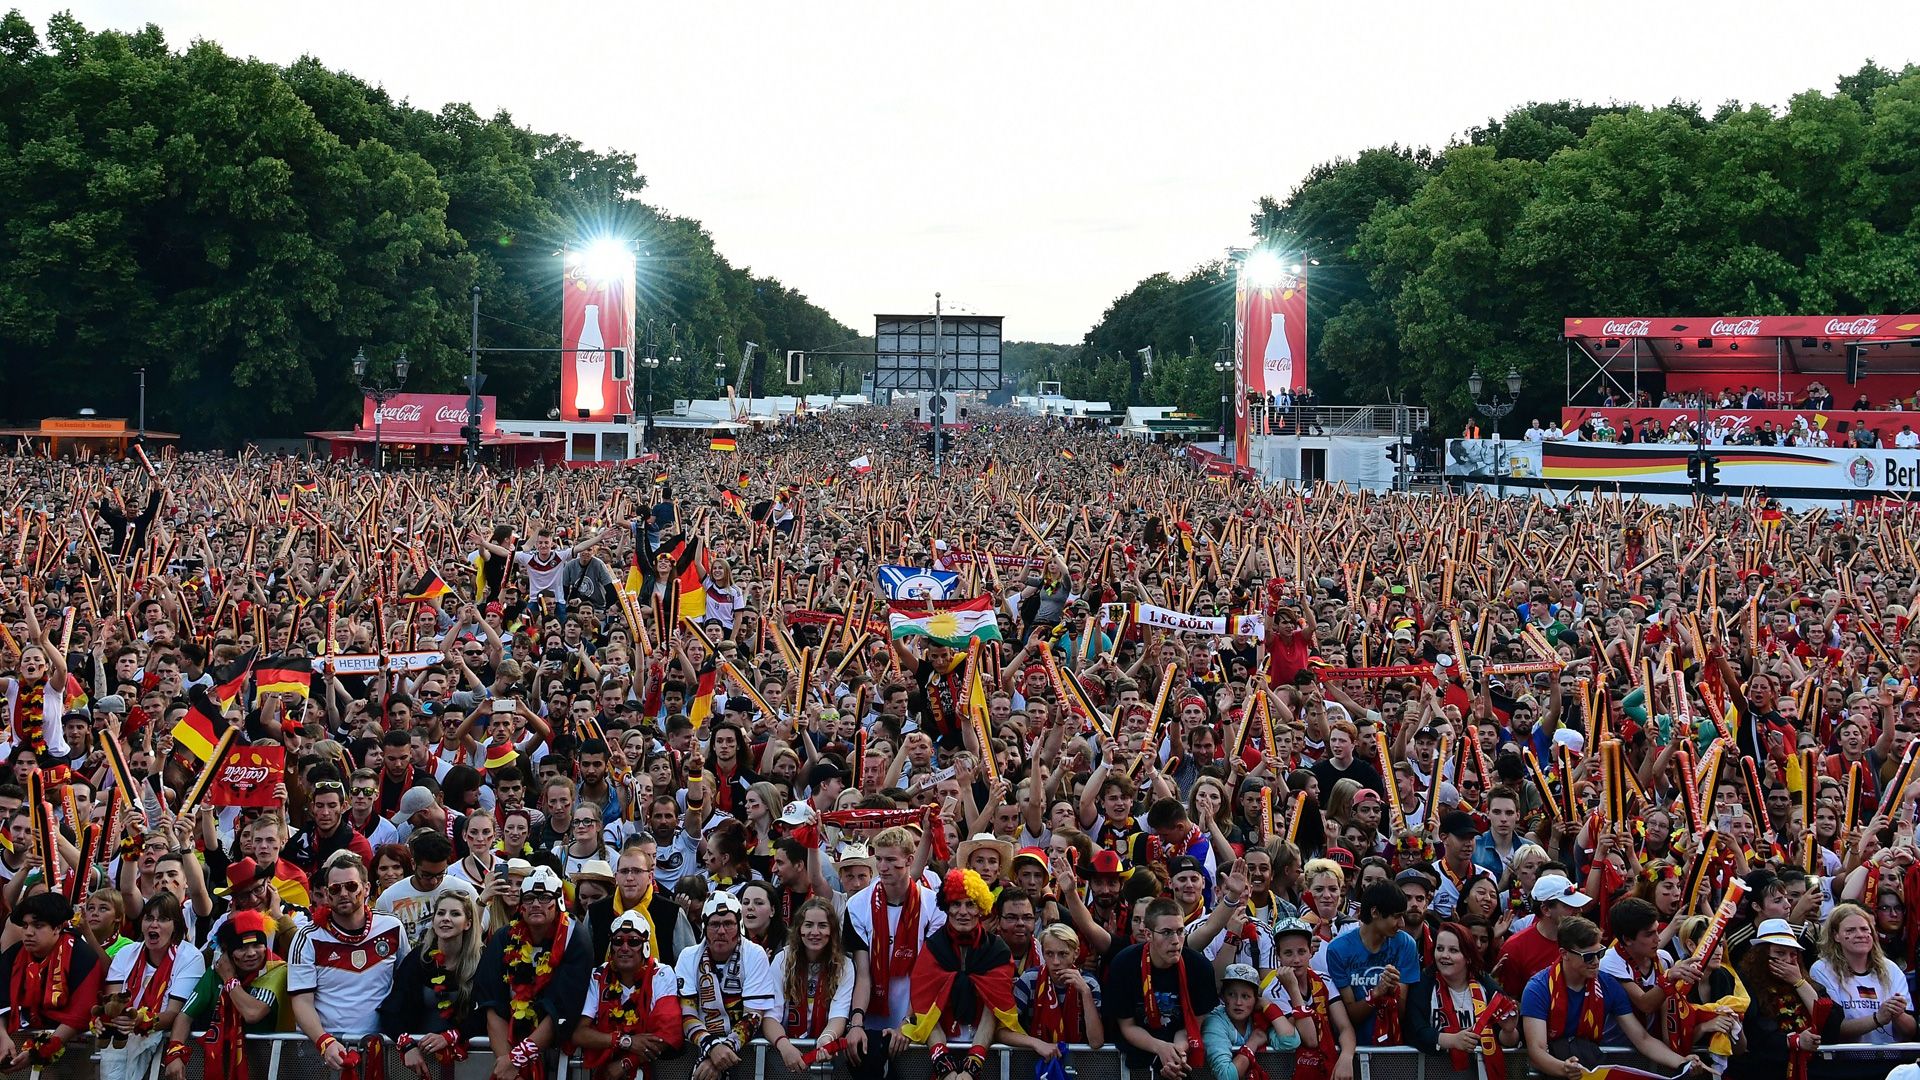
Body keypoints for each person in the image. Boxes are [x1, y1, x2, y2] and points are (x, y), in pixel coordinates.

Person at [1519, 916, 1707, 1079]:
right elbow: (1537, 1051)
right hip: (1553, 1073)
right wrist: (1564, 1069)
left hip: (1589, 1067)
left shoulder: (1607, 984)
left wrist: (1682, 1062)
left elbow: (1642, 1038)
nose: (1596, 962)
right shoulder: (1538, 988)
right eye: (1588, 957)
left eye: (1599, 953)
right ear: (1564, 954)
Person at [475, 865, 595, 1079]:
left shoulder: (574, 937)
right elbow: (492, 1005)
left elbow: (561, 1007)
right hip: (507, 1045)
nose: (536, 904)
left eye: (544, 897)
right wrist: (509, 1067)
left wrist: (516, 1059)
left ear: (558, 901)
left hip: (555, 1047)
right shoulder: (504, 937)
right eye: (529, 898)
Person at [288, 852, 409, 1061]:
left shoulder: (392, 927)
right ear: (327, 894)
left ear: (367, 888)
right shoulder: (307, 937)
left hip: (381, 1046)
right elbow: (301, 1002)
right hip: (324, 1049)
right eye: (336, 888)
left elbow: (405, 985)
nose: (344, 893)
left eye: (351, 886)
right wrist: (324, 1041)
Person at [845, 825, 943, 1080]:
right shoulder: (857, 905)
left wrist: (908, 1022)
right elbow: (863, 974)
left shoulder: (934, 906)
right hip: (871, 1020)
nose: (882, 867)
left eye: (890, 860)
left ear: (909, 860)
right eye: (878, 859)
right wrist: (856, 1023)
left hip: (916, 1019)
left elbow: (926, 975)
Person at [902, 868, 1019, 1080]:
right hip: (939, 1048)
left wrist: (973, 1066)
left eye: (970, 904)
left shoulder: (997, 950)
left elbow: (993, 1009)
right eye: (956, 904)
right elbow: (927, 1012)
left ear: (981, 908)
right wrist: (944, 1066)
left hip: (986, 1051)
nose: (962, 912)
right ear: (947, 907)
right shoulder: (933, 948)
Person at [167, 910, 290, 1080]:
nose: (252, 953)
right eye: (242, 947)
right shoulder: (215, 972)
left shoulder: (276, 969)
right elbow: (185, 1015)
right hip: (223, 1067)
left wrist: (229, 979)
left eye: (257, 945)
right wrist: (175, 1052)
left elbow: (252, 1013)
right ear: (228, 951)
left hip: (270, 1068)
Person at [1105, 896, 1220, 1075]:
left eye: (1180, 931)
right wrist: (1160, 1048)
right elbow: (1127, 1026)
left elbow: (1192, 1025)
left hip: (1182, 1058)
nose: (1175, 940)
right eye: (1166, 932)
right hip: (1135, 1063)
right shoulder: (1124, 964)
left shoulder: (1200, 968)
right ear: (1148, 934)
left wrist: (1176, 1053)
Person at [102, 891, 205, 1080]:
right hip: (122, 1041)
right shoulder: (126, 954)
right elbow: (112, 1002)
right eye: (149, 918)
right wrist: (110, 1017)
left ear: (175, 926)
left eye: (163, 919)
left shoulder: (191, 957)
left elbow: (175, 1013)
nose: (154, 924)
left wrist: (141, 1021)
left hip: (164, 1044)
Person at [380, 891, 487, 1073]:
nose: (446, 918)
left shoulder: (482, 961)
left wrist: (453, 1035)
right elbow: (391, 1010)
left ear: (468, 923)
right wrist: (406, 1044)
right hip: (421, 1058)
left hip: (468, 1060)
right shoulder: (419, 958)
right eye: (441, 913)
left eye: (455, 914)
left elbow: (487, 1013)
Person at [675, 890, 777, 1080]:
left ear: (739, 926)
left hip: (746, 1055)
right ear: (704, 927)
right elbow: (686, 1015)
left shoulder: (755, 954)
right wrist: (712, 1048)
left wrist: (721, 1054)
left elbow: (754, 1016)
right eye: (714, 924)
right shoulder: (688, 956)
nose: (721, 931)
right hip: (699, 1049)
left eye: (728, 924)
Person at [0, 892, 106, 1069]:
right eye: (25, 926)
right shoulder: (13, 955)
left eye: (38, 925)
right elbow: (1, 1000)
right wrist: (2, 1036)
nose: (28, 933)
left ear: (57, 928)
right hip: (20, 1041)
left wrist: (39, 1052)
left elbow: (80, 1013)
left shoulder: (82, 955)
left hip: (74, 1047)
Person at [574, 909, 683, 1080]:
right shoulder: (598, 976)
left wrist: (626, 1062)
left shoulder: (662, 974)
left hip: (649, 1069)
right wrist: (625, 1041)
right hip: (603, 1071)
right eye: (618, 941)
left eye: (633, 942)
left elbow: (667, 1034)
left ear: (646, 946)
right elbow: (579, 1033)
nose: (624, 948)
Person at [1404, 921, 1519, 1071]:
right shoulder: (1423, 984)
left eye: (1453, 950)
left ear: (1468, 956)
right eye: (1440, 949)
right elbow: (1414, 1030)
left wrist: (1509, 1031)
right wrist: (1451, 1040)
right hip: (1432, 1072)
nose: (1444, 955)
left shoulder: (1486, 985)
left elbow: (1508, 1042)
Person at [1324, 881, 1422, 1046]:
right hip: (1356, 1047)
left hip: (1395, 1048)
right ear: (1375, 912)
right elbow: (1351, 1015)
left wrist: (1393, 991)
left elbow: (1402, 1014)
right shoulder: (1338, 949)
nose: (1402, 924)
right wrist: (1377, 993)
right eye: (1396, 916)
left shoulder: (1405, 944)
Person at [762, 896, 854, 1067]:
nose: (815, 932)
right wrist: (785, 1046)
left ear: (832, 930)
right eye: (809, 925)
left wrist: (826, 1039)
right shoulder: (782, 959)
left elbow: (839, 1013)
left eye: (823, 925)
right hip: (784, 1051)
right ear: (799, 929)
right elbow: (770, 1016)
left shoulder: (845, 965)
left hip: (825, 1053)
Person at [1008, 923, 1105, 1051]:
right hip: (1034, 1059)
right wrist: (1036, 1044)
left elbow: (1096, 1041)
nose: (1056, 962)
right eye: (1049, 954)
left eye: (1063, 954)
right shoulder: (1030, 979)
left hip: (1078, 1062)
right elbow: (1003, 1031)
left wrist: (1085, 992)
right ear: (1042, 953)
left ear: (1076, 953)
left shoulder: (1089, 983)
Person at [1202, 963, 1300, 1080]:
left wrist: (1267, 1005)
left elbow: (1290, 1041)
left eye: (1246, 996)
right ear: (1223, 997)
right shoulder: (1215, 1021)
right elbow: (1226, 1076)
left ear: (1255, 1000)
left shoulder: (1259, 1017)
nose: (1238, 1002)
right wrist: (1253, 1042)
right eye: (1231, 995)